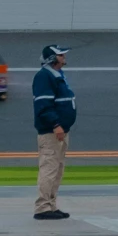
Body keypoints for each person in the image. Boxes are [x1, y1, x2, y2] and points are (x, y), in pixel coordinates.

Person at [32, 44, 76, 220]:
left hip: (61, 131)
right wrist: (56, 124)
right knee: (49, 168)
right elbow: (43, 105)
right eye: (60, 55)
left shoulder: (57, 75)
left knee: (57, 169)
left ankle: (51, 204)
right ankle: (42, 207)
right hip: (52, 132)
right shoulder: (44, 76)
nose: (64, 57)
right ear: (51, 58)